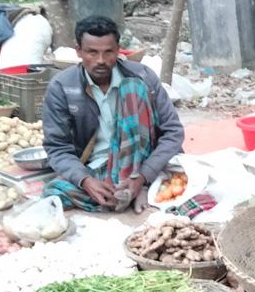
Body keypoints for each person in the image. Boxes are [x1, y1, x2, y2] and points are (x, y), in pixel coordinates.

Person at [42, 16, 184, 213]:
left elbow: (173, 132)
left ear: (118, 50)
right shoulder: (62, 87)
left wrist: (143, 175)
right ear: (79, 52)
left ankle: (141, 186)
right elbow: (57, 147)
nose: (100, 60)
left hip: (143, 163)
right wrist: (86, 181)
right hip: (96, 169)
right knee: (55, 193)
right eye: (92, 52)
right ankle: (127, 192)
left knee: (133, 89)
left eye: (108, 52)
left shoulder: (142, 76)